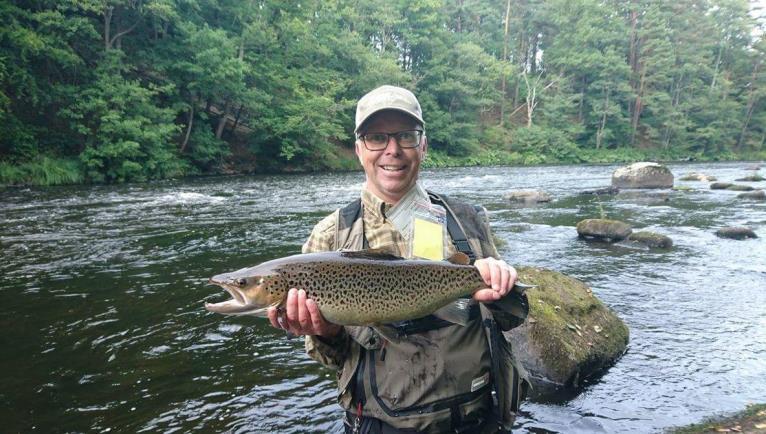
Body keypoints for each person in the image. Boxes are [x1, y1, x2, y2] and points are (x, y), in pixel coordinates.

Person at [267, 85, 528, 433]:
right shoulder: (330, 236)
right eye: (377, 137)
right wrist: (324, 331)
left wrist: (502, 289)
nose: (393, 150)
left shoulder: (467, 219)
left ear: (423, 145)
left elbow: (511, 318)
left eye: (405, 136)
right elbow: (332, 358)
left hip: (476, 419)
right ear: (359, 150)